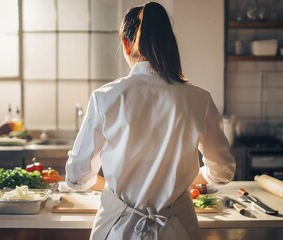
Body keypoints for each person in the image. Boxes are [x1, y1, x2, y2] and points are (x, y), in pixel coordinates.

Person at [65, 2, 236, 239]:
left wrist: (115, 189)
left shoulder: (105, 97)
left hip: (117, 229)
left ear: (126, 44)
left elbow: (76, 177)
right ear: (168, 45)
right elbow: (223, 172)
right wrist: (191, 180)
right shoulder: (199, 99)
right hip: (178, 231)